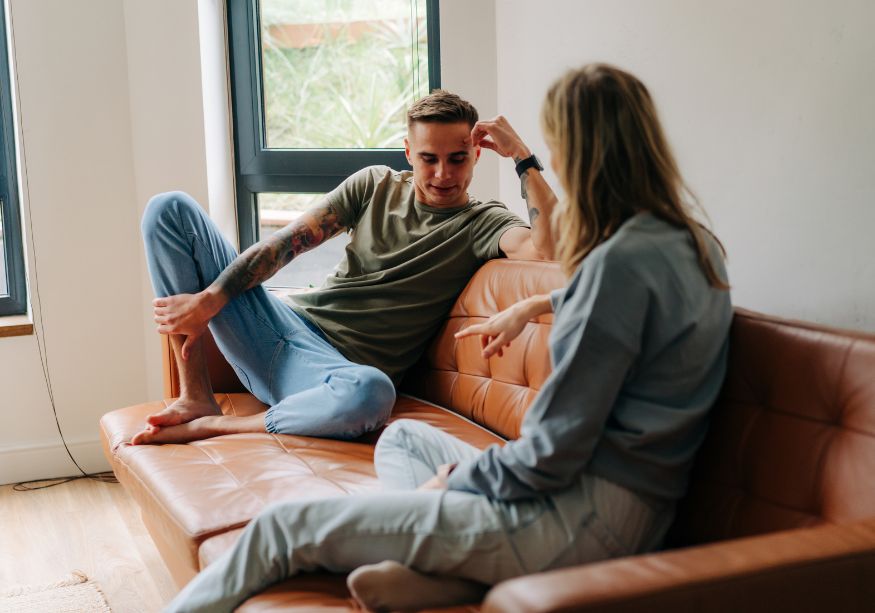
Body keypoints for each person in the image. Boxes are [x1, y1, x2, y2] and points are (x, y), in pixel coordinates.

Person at [162, 63, 733, 613]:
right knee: (403, 441)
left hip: (574, 518)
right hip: (629, 509)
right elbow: (626, 304)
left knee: (279, 530)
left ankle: (429, 543)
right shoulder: (696, 244)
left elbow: (549, 456)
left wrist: (453, 482)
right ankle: (438, 577)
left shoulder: (605, 263)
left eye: (558, 148)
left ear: (581, 156)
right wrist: (539, 302)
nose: (441, 172)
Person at [131, 91, 549, 445]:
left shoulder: (486, 222)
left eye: (457, 159)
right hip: (279, 327)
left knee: (371, 392)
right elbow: (283, 246)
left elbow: (547, 248)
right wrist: (211, 300)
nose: (443, 174)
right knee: (168, 209)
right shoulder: (375, 185)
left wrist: (523, 157)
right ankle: (195, 395)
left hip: (329, 376)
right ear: (408, 153)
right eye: (428, 159)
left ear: (477, 154)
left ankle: (221, 426)